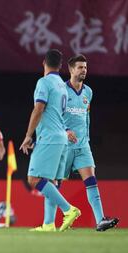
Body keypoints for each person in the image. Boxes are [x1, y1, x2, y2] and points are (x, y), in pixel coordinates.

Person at [41, 54, 119, 232]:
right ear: (70, 69)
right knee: (55, 184)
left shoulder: (88, 92)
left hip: (83, 146)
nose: (84, 70)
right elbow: (52, 115)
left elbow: (86, 117)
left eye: (85, 67)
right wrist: (65, 130)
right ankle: (50, 223)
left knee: (91, 180)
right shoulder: (60, 90)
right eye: (80, 67)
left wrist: (86, 138)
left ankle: (100, 220)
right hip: (63, 145)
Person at [19, 49, 80, 232]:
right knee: (51, 182)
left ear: (43, 62)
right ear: (61, 66)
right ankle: (48, 224)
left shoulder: (44, 82)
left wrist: (29, 135)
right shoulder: (63, 85)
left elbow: (39, 109)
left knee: (34, 179)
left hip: (50, 138)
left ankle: (69, 210)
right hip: (62, 139)